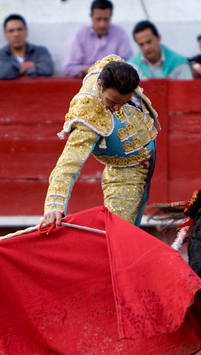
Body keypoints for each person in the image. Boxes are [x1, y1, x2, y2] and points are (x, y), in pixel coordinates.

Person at [42, 55, 160, 228]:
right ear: (99, 85)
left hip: (148, 154)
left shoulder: (112, 67)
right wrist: (54, 206)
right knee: (119, 232)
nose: (117, 109)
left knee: (135, 217)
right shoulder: (88, 114)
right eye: (112, 102)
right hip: (124, 172)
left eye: (124, 102)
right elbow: (68, 163)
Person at [62, 0, 133, 78]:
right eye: (98, 19)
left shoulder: (120, 33)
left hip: (113, 83)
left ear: (111, 16)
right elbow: (68, 68)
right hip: (83, 82)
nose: (102, 24)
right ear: (91, 17)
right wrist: (87, 70)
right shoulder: (78, 34)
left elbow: (128, 64)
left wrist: (93, 70)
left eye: (106, 19)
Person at [0, 14, 54, 80]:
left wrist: (15, 71)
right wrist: (29, 65)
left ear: (26, 32)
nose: (16, 34)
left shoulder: (40, 51)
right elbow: (4, 73)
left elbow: (48, 69)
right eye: (11, 31)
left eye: (20, 29)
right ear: (5, 35)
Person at [128, 20, 192, 80]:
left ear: (158, 38)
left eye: (149, 42)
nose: (146, 47)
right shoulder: (132, 68)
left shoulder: (179, 64)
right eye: (141, 44)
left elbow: (187, 87)